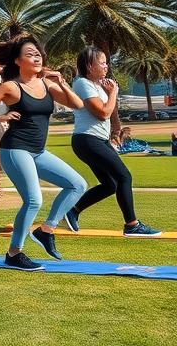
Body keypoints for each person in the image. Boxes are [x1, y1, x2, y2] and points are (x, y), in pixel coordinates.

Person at [0, 35, 87, 271]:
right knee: (33, 200)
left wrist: (61, 82)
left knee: (78, 185)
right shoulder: (11, 86)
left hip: (38, 151)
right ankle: (14, 253)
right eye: (30, 54)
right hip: (15, 149)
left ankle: (46, 230)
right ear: (17, 61)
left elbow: (78, 105)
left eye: (38, 54)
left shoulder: (48, 85)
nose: (36, 57)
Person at [65, 47, 160, 236]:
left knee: (111, 184)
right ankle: (132, 225)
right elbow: (103, 113)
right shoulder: (83, 83)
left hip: (97, 140)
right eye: (102, 62)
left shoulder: (95, 84)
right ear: (89, 66)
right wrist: (113, 92)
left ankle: (72, 211)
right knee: (124, 176)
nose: (106, 66)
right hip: (87, 140)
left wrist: (108, 91)